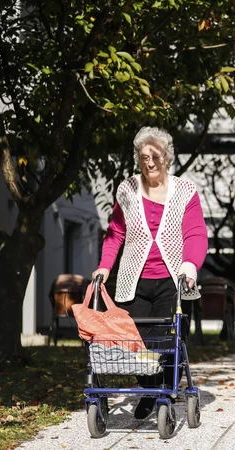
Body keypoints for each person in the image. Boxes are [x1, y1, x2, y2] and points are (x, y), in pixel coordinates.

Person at [91, 126, 208, 420]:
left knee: (167, 343)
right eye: (144, 156)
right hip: (134, 280)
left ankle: (160, 391)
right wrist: (105, 265)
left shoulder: (185, 191)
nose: (150, 162)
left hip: (173, 280)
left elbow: (195, 233)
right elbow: (116, 232)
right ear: (138, 158)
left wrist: (190, 265)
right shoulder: (127, 190)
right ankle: (152, 389)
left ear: (167, 157)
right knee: (135, 345)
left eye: (155, 156)